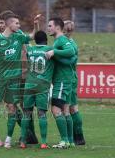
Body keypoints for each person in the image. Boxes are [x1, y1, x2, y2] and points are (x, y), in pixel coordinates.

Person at [0, 13, 39, 148]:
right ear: (9, 24)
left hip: (14, 80)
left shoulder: (18, 37)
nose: (19, 26)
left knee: (12, 108)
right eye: (17, 23)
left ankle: (8, 139)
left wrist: (36, 24)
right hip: (0, 80)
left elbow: (32, 36)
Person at [20, 31, 54, 149]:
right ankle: (43, 142)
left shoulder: (31, 50)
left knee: (26, 113)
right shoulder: (50, 49)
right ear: (46, 40)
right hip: (42, 85)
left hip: (29, 84)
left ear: (35, 40)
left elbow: (25, 42)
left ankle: (23, 142)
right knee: (42, 114)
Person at [46, 17, 75, 149]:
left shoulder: (62, 39)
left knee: (55, 109)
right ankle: (70, 141)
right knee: (65, 111)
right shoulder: (59, 40)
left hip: (62, 80)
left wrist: (54, 51)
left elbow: (71, 51)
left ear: (57, 27)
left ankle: (64, 141)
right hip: (65, 79)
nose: (48, 28)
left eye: (50, 25)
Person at [63, 20, 85, 145]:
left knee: (72, 109)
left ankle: (76, 137)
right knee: (72, 108)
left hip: (68, 79)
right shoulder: (72, 43)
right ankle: (77, 137)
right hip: (72, 78)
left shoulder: (69, 45)